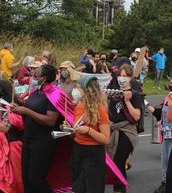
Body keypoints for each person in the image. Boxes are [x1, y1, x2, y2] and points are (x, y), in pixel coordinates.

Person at [11, 65, 61, 193]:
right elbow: (30, 107)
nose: (32, 77)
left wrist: (27, 111)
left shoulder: (55, 93)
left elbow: (50, 121)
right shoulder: (36, 91)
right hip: (28, 138)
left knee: (36, 178)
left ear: (44, 78)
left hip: (43, 141)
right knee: (26, 178)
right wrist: (19, 107)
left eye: (36, 75)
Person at [146, 76, 172, 193]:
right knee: (164, 161)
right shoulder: (168, 97)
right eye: (170, 82)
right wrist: (145, 104)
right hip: (166, 135)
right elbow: (160, 113)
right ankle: (165, 182)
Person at [106, 64, 141, 193]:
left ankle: (121, 189)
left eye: (125, 76)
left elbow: (137, 116)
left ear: (130, 78)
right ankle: (117, 190)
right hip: (113, 128)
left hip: (127, 130)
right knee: (113, 164)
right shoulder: (113, 92)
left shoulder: (135, 95)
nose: (121, 78)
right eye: (120, 75)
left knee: (119, 161)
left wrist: (127, 101)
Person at [72, 76, 110, 193]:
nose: (76, 91)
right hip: (78, 150)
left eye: (78, 88)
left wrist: (88, 130)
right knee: (78, 187)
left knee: (94, 187)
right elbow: (77, 131)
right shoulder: (78, 107)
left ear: (86, 90)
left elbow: (105, 139)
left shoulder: (100, 110)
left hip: (94, 153)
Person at [0, 80, 24, 193]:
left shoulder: (12, 107)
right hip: (5, 146)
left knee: (14, 177)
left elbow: (6, 128)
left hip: (12, 146)